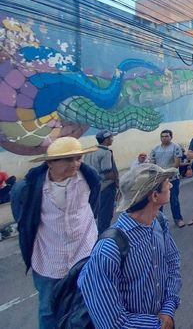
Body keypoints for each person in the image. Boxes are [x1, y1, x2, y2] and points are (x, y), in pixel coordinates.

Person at [78, 163, 182, 329]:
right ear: (154, 196)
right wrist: (157, 325)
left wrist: (167, 309)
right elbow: (111, 322)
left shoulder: (159, 222)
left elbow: (172, 262)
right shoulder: (108, 250)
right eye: (166, 182)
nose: (170, 185)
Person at [11, 137, 100, 329]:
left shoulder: (89, 178)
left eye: (78, 158)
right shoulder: (28, 187)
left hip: (84, 254)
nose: (75, 164)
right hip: (49, 260)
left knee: (86, 306)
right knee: (48, 311)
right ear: (50, 162)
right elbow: (23, 219)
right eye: (68, 159)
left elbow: (93, 206)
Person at [84, 129, 119, 233]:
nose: (112, 139)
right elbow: (107, 173)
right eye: (110, 138)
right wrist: (117, 181)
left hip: (93, 188)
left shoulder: (90, 151)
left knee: (95, 214)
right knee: (105, 216)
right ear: (106, 139)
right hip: (106, 188)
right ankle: (103, 239)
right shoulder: (106, 152)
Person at [150, 129, 185, 228]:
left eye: (167, 136)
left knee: (174, 199)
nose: (164, 138)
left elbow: (177, 163)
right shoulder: (155, 149)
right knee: (158, 201)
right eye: (162, 136)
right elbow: (153, 163)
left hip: (172, 179)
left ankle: (178, 219)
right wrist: (158, 175)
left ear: (171, 137)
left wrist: (167, 174)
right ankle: (158, 222)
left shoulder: (175, 147)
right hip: (159, 180)